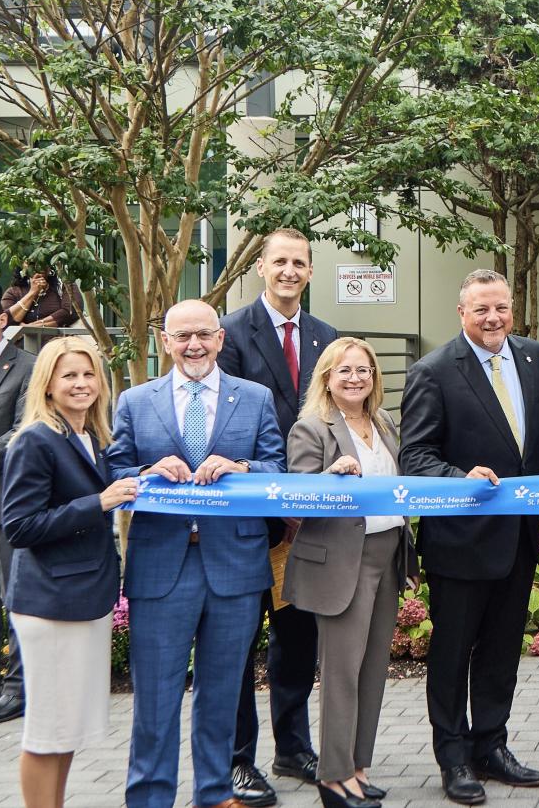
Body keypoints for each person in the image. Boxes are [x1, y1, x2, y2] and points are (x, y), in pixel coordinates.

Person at [108, 299, 286, 808]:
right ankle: (149, 797)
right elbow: (114, 471)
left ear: (220, 339)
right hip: (162, 567)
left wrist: (242, 467)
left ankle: (213, 792)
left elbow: (277, 467)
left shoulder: (253, 398)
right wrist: (144, 473)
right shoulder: (135, 402)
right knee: (156, 699)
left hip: (234, 566)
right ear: (165, 341)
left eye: (203, 335)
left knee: (222, 693)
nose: (194, 345)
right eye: (182, 336)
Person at [399, 269, 539, 805]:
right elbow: (416, 456)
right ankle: (453, 757)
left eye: (501, 308)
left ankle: (492, 746)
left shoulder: (534, 358)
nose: (492, 319)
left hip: (520, 537)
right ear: (461, 313)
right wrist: (458, 478)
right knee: (452, 654)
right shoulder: (434, 371)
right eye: (481, 310)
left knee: (500, 651)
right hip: (461, 541)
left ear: (512, 309)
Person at [218, 227, 338, 805]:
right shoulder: (233, 333)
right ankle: (239, 759)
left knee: (297, 639)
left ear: (310, 271)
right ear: (261, 268)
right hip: (251, 521)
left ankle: (293, 748)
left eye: (300, 262)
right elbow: (231, 420)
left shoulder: (326, 337)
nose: (290, 271)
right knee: (241, 643)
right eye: (280, 261)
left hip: (306, 522)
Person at [0, 337, 138, 807]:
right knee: (46, 730)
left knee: (67, 730)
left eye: (88, 374)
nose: (81, 384)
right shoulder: (36, 440)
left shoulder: (93, 438)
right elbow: (20, 525)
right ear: (48, 385)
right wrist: (97, 503)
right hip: (50, 605)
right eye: (69, 376)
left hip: (83, 599)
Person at [283, 338, 416, 808]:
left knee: (374, 669)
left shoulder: (382, 422)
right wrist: (329, 477)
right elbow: (296, 495)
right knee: (342, 673)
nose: (356, 378)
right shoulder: (311, 428)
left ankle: (359, 768)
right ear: (326, 378)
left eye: (364, 370)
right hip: (343, 559)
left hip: (387, 553)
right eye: (345, 371)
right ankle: (333, 776)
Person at [0, 292, 35, 725]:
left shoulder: (26, 367)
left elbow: (22, 433)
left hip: (5, 504)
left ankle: (17, 689)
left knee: (14, 600)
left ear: (2, 318)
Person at [0, 267, 83, 328]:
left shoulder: (63, 285)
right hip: (21, 348)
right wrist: (32, 292)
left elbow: (71, 311)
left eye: (43, 261)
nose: (38, 266)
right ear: (22, 265)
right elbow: (4, 320)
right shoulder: (13, 292)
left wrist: (32, 327)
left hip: (57, 346)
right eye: (32, 263)